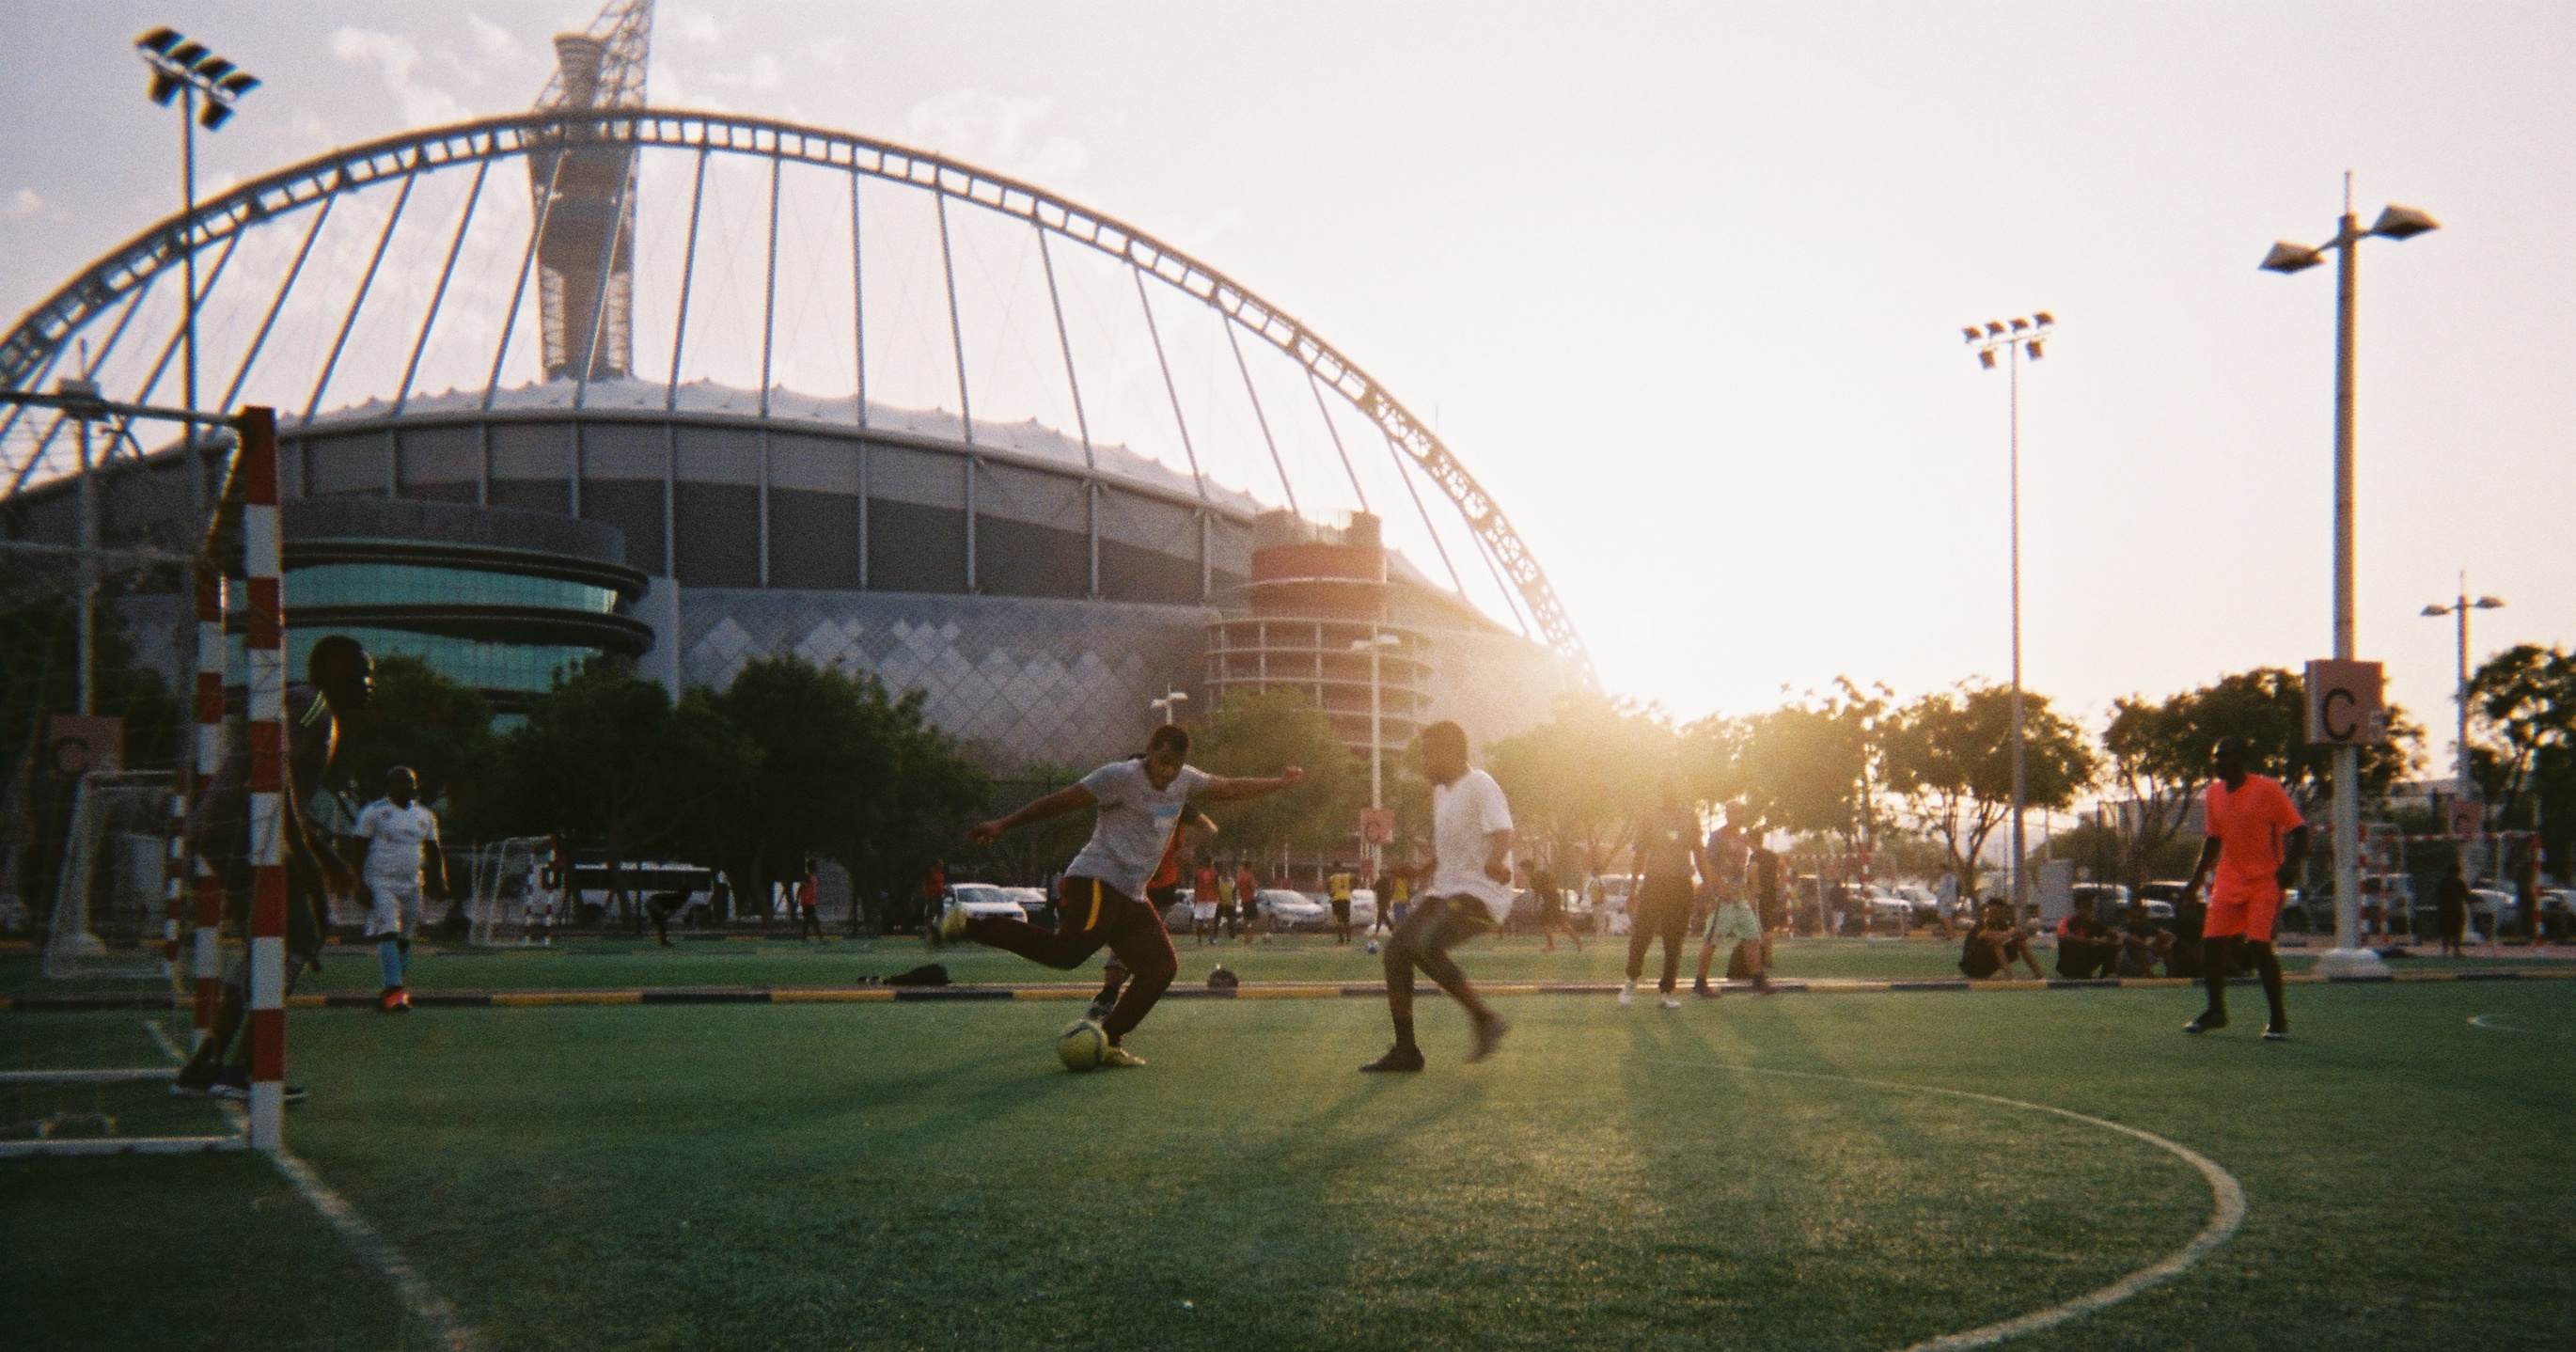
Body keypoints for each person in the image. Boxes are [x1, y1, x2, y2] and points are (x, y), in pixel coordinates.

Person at [950, 724, 1303, 1066]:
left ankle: (1108, 1039)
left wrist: (1281, 783)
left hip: (1132, 893)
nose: (1166, 772)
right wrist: (1003, 825)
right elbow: (1061, 801)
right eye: (1161, 762)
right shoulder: (1118, 776)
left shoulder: (1186, 780)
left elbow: (1229, 787)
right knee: (1067, 954)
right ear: (1149, 752)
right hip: (1097, 880)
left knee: (1160, 967)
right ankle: (968, 925)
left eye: (1174, 765)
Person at [173, 636, 373, 1101]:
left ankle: (208, 1064)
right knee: (299, 935)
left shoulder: (314, 709)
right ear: (334, 670)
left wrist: (327, 860)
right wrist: (305, 861)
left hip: (237, 831)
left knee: (265, 942)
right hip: (243, 831)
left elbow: (286, 798)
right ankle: (246, 1067)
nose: (369, 684)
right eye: (361, 673)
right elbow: (270, 774)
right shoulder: (312, 706)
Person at [1360, 721, 1512, 1072]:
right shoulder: (1442, 793)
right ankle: (1406, 1051)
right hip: (1445, 889)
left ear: (1451, 753)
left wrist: (1494, 861)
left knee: (1421, 944)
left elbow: (1504, 831)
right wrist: (1420, 871)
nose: (1423, 763)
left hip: (1482, 895)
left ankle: (1485, 1019)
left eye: (1428, 755)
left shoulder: (1480, 784)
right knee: (1397, 951)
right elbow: (1450, 847)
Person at [2177, 736, 2308, 1040]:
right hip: (2228, 879)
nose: (2218, 762)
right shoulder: (2213, 794)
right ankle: (2216, 1011)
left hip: (2266, 880)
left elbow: (2300, 831)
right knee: (2211, 944)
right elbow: (2213, 840)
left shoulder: (2268, 789)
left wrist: (2291, 866)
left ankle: (2278, 1019)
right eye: (2216, 757)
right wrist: (2195, 881)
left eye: (2224, 757)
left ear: (2241, 759)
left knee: (2258, 946)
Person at [348, 766, 448, 1013]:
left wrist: (440, 880)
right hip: (381, 881)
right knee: (389, 930)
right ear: (389, 786)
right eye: (402, 783)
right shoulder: (374, 812)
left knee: (406, 937)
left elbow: (434, 850)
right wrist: (357, 882)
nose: (407, 787)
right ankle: (395, 989)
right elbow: (358, 846)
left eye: (411, 783)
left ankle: (392, 988)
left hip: (413, 882)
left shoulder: (425, 815)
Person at [1623, 783, 1708, 1010]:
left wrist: (1709, 883)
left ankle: (1666, 991)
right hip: (1655, 881)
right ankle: (1631, 980)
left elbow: (1699, 852)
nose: (1673, 794)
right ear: (1662, 793)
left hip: (1681, 884)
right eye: (1669, 790)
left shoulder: (1690, 817)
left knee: (1674, 941)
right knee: (1642, 934)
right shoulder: (1649, 817)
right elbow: (1640, 854)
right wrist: (1632, 888)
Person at [1959, 898, 2043, 980]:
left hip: (1985, 965)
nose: (1993, 915)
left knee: (2020, 942)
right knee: (1997, 943)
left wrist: (2018, 933)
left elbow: (2023, 937)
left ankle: (2039, 976)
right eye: (1991, 912)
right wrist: (2012, 932)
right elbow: (1996, 938)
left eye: (1997, 913)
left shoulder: (2002, 925)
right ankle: (2010, 978)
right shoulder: (1981, 925)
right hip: (1971, 965)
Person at [2053, 905, 2118, 980]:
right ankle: (2071, 973)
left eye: (2090, 909)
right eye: (2086, 908)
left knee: (2110, 947)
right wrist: (2092, 941)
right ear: (2078, 908)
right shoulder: (2067, 921)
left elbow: (2114, 936)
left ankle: (2104, 977)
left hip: (2086, 958)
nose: (2088, 912)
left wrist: (2105, 938)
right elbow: (2065, 937)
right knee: (2069, 944)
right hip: (2071, 959)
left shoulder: (2092, 923)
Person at [2113, 903, 2175, 977]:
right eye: (2135, 917)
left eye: (2141, 917)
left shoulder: (2147, 926)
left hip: (2145, 958)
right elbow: (2132, 941)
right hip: (2126, 961)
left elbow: (2170, 936)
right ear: (2130, 916)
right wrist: (2152, 948)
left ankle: (2171, 975)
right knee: (2135, 947)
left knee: (2165, 945)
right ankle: (2149, 974)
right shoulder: (2123, 927)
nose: (2138, 920)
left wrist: (2166, 944)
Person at [1532, 856, 1580, 952]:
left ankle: (1553, 945)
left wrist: (1536, 905)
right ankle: (1576, 941)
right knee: (1557, 924)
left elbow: (1540, 891)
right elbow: (1539, 892)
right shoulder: (1538, 876)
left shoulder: (1535, 877)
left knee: (1553, 925)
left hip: (1552, 901)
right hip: (1551, 900)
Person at [2434, 859, 2471, 958]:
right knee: (2457, 931)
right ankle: (2457, 951)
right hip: (2456, 910)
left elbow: (2437, 895)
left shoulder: (2442, 882)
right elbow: (2466, 896)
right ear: (2458, 872)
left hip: (2444, 910)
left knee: (2445, 931)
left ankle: (2444, 951)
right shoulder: (2459, 882)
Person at [1191, 859, 1220, 945]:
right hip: (1211, 898)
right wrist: (1219, 897)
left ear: (1204, 863)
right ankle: (1211, 939)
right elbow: (1217, 886)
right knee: (1211, 919)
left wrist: (1195, 897)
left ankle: (1199, 940)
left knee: (1199, 919)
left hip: (1200, 898)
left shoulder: (1198, 873)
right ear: (1211, 863)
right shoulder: (1215, 873)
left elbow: (1195, 885)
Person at [1327, 863, 1357, 944]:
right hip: (1346, 899)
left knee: (1338, 920)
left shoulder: (1333, 877)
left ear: (1334, 868)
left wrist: (1330, 893)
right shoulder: (1347, 876)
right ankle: (1349, 939)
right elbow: (1355, 877)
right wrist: (1351, 889)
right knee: (1346, 920)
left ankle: (1341, 939)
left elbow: (1328, 884)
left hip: (1336, 900)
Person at [796, 859, 824, 942]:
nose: (816, 868)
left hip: (810, 902)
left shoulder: (812, 877)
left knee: (807, 920)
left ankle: (804, 938)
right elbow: (801, 888)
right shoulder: (807, 876)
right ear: (811, 867)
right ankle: (820, 938)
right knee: (814, 920)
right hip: (807, 902)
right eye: (815, 866)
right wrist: (797, 900)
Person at [1233, 861, 1261, 942]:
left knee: (1246, 920)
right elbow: (1252, 886)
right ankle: (1251, 937)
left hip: (1244, 900)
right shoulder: (1249, 875)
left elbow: (1237, 887)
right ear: (1250, 867)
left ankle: (1246, 937)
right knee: (1254, 919)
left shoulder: (1240, 876)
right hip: (1250, 899)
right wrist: (1256, 884)